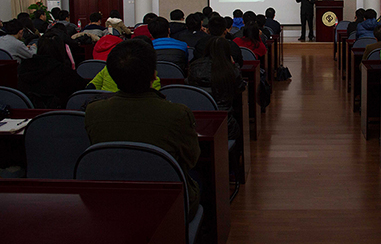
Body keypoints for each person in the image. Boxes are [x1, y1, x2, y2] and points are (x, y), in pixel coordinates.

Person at [84, 39, 201, 218]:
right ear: (154, 74)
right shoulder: (176, 114)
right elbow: (192, 159)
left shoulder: (93, 112)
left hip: (110, 203)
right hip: (167, 205)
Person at [188, 37, 245, 140]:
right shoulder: (230, 69)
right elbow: (240, 88)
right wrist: (234, 65)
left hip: (199, 121)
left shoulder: (194, 66)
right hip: (225, 121)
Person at [18, 34, 86, 108]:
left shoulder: (23, 68)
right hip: (59, 112)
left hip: (26, 112)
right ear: (61, 50)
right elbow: (82, 89)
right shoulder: (64, 72)